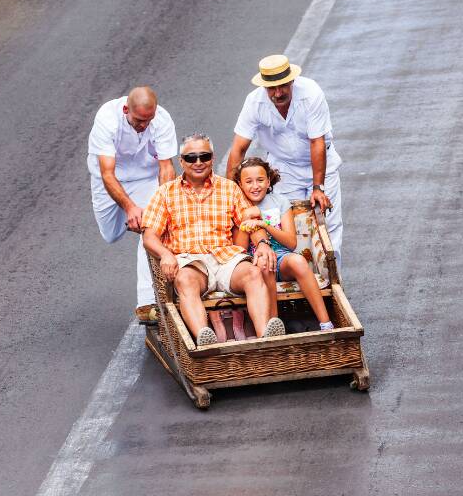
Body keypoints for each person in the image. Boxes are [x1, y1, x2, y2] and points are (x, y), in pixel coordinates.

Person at [142, 133, 285, 346]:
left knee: (254, 273)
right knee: (184, 280)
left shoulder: (229, 188)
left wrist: (263, 244)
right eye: (191, 158)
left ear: (212, 157)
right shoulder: (165, 193)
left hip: (226, 258)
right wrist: (165, 254)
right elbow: (149, 236)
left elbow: (250, 220)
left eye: (204, 156)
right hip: (191, 262)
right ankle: (205, 340)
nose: (198, 162)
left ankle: (266, 337)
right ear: (181, 161)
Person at [226, 54, 345, 268]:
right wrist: (231, 193)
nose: (278, 93)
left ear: (291, 81)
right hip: (285, 168)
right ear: (264, 86)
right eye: (271, 88)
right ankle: (301, 277)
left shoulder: (310, 93)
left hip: (320, 164)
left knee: (328, 226)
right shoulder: (254, 102)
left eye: (282, 86)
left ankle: (332, 282)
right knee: (292, 224)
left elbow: (316, 142)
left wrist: (318, 187)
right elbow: (238, 148)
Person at [87, 86, 178, 323]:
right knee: (110, 235)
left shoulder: (162, 120)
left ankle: (147, 303)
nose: (144, 126)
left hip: (145, 178)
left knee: (153, 229)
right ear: (126, 109)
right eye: (139, 121)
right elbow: (107, 173)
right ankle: (132, 219)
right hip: (109, 178)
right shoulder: (107, 120)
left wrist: (161, 208)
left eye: (148, 120)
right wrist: (129, 208)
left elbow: (166, 168)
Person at [233, 157, 335, 332]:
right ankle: (273, 324)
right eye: (248, 182)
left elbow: (291, 242)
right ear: (240, 184)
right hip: (254, 262)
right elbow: (239, 248)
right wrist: (245, 219)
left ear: (268, 181)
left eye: (260, 180)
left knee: (298, 261)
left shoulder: (279, 202)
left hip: (282, 256)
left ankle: (326, 323)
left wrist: (265, 224)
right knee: (265, 264)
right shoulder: (239, 205)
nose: (255, 186)